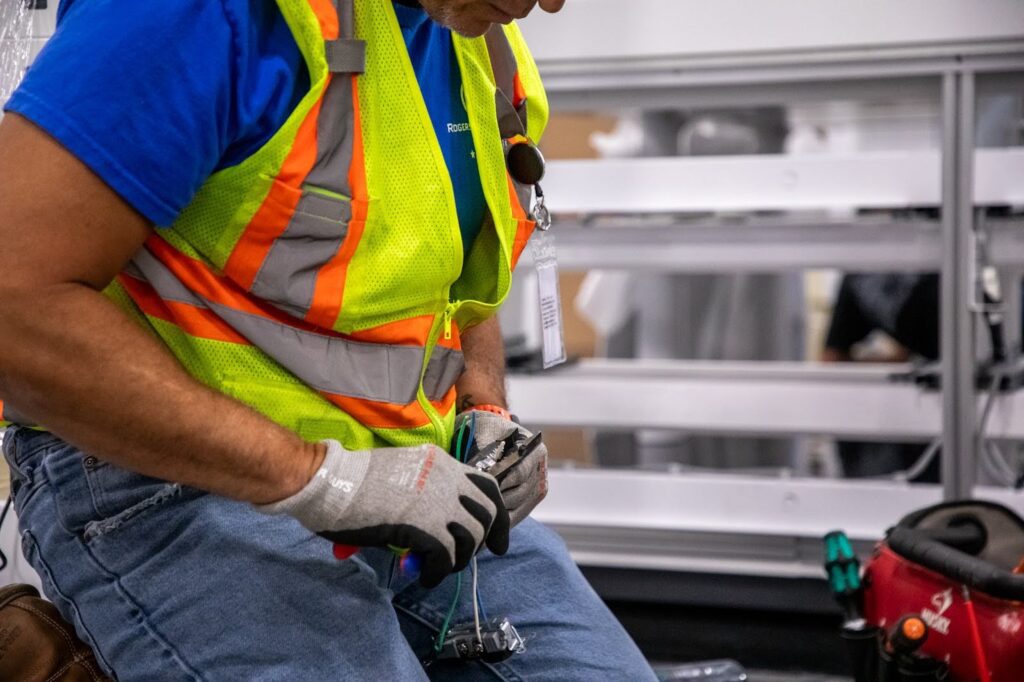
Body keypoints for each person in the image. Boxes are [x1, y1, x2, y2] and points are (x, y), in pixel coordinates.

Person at [0, 0, 655, 678]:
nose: (543, 3)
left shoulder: (482, 47)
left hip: (413, 482)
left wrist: (483, 408)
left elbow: (446, 289)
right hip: (176, 483)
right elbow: (14, 301)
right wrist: (323, 480)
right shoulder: (200, 15)